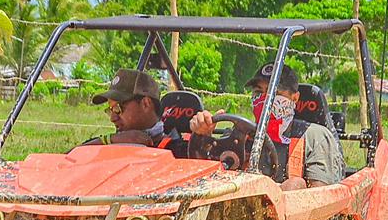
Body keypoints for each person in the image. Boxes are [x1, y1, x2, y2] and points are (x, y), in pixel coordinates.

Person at [189, 62, 344, 189]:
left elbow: (321, 200)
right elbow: (208, 181)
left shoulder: (314, 136)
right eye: (258, 91)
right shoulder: (240, 133)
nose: (264, 99)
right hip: (238, 216)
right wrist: (204, 136)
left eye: (274, 93)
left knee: (295, 184)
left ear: (295, 98)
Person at [83, 69, 167, 147]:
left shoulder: (175, 149)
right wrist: (109, 140)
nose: (112, 118)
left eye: (117, 108)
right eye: (110, 110)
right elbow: (72, 156)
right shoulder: (110, 141)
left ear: (146, 104)